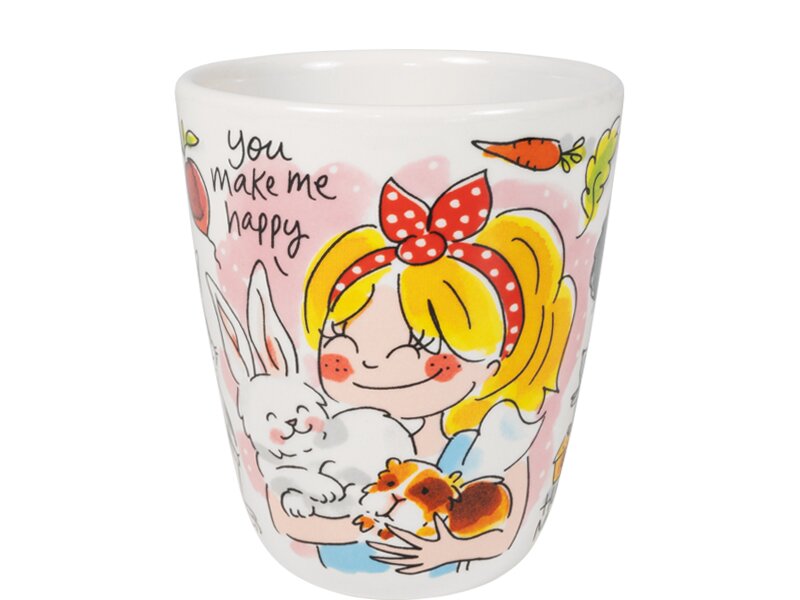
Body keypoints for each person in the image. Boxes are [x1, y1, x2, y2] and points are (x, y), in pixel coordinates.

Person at [268, 171, 575, 574]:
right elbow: (282, 511)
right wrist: (355, 526)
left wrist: (444, 552)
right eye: (340, 334)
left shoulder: (485, 446)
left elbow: (507, 530)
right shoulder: (323, 434)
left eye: (423, 344)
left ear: (490, 367)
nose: (371, 362)